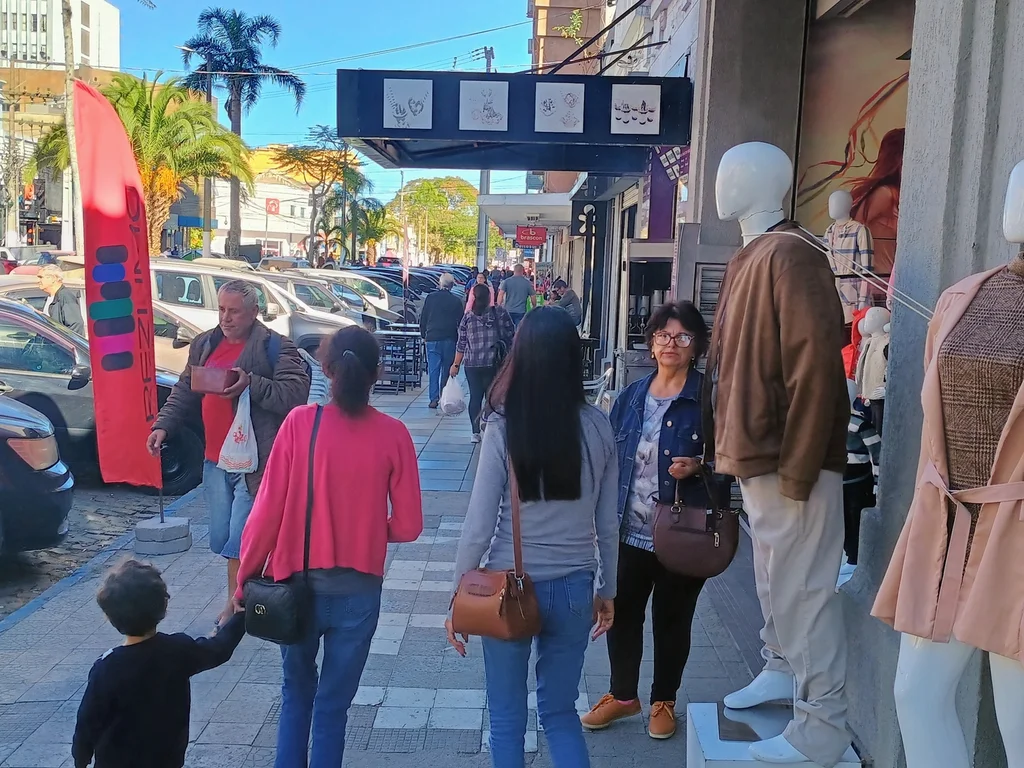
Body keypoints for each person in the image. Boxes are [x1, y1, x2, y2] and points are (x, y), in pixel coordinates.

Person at [235, 326, 423, 767]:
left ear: (325, 369)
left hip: (296, 587)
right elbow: (410, 526)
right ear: (378, 373)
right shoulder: (394, 435)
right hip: (359, 593)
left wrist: (243, 582)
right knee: (334, 707)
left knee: (296, 694)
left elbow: (266, 514)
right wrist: (368, 530)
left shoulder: (301, 425)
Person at [447, 307, 619, 768]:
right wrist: (608, 590)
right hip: (574, 588)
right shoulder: (600, 427)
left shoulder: (503, 426)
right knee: (560, 712)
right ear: (572, 357)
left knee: (505, 715)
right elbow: (608, 523)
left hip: (507, 587)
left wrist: (457, 591)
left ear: (521, 355)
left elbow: (479, 524)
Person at [581, 301, 711, 740]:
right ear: (651, 342)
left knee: (673, 619)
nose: (670, 344)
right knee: (623, 614)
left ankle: (663, 701)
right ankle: (622, 696)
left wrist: (702, 466)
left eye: (682, 336)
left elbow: (732, 459)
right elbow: (609, 460)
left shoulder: (708, 397)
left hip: (682, 531)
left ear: (696, 346)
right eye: (662, 335)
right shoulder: (632, 395)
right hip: (628, 530)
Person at [147, 280, 310, 629]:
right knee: (221, 538)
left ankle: (234, 609)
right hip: (215, 460)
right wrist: (163, 426)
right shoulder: (205, 343)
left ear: (254, 312)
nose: (226, 317)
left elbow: (295, 396)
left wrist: (251, 383)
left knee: (239, 540)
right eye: (222, 309)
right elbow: (185, 390)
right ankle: (259, 581)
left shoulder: (276, 348)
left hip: (255, 463)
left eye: (234, 311)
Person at [72, 560, 246, 768]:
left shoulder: (106, 667)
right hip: (167, 759)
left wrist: (81, 759)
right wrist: (241, 617)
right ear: (164, 606)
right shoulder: (178, 649)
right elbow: (219, 649)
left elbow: (88, 722)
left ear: (109, 616)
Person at [451, 284, 515, 443]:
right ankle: (489, 425)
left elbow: (461, 343)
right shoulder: (500, 313)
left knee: (475, 396)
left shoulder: (468, 317)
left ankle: (475, 432)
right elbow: (511, 334)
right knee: (492, 396)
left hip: (472, 364)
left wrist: (456, 364)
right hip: (494, 362)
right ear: (489, 297)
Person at [419, 272, 464, 409]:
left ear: (440, 283)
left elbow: (424, 317)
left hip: (432, 336)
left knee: (433, 370)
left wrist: (423, 334)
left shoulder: (430, 298)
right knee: (446, 369)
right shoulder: (456, 301)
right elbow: (461, 322)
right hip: (449, 337)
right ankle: (444, 396)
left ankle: (433, 398)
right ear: (452, 286)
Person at [37, 264, 85, 336]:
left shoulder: (66, 297)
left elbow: (76, 325)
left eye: (41, 277)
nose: (38, 281)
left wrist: (66, 344)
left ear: (53, 278)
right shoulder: (50, 297)